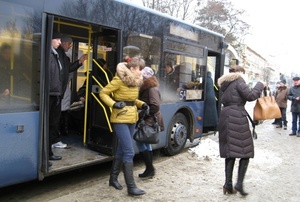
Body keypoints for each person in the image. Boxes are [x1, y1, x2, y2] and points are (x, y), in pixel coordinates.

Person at [99, 56, 149, 196]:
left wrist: (142, 104)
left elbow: (131, 100)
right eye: (140, 69)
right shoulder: (119, 79)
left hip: (132, 117)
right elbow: (103, 93)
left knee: (122, 150)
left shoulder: (135, 81)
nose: (142, 72)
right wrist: (114, 104)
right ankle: (131, 187)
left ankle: (113, 179)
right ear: (132, 69)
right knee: (129, 151)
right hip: (120, 118)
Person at [217, 65, 265, 196]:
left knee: (230, 151)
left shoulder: (225, 83)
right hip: (236, 117)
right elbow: (250, 95)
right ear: (241, 73)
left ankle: (227, 184)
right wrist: (260, 85)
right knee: (246, 152)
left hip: (225, 116)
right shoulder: (239, 81)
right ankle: (239, 183)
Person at [54, 34, 87, 148]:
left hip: (59, 91)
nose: (69, 46)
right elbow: (67, 70)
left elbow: (67, 69)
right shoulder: (58, 54)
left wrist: (79, 62)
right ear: (63, 43)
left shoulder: (61, 55)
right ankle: (55, 139)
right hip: (57, 91)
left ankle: (55, 138)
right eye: (69, 44)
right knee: (56, 116)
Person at [136, 66, 164, 178]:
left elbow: (155, 106)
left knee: (140, 141)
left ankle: (150, 168)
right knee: (146, 142)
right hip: (150, 118)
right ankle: (150, 169)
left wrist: (143, 115)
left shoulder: (151, 88)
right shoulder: (151, 87)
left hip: (149, 119)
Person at [48, 30, 64, 161]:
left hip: (55, 94)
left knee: (53, 124)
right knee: (49, 124)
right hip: (50, 94)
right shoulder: (49, 54)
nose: (59, 42)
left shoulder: (55, 54)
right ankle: (47, 154)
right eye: (57, 39)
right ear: (50, 39)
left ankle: (48, 153)